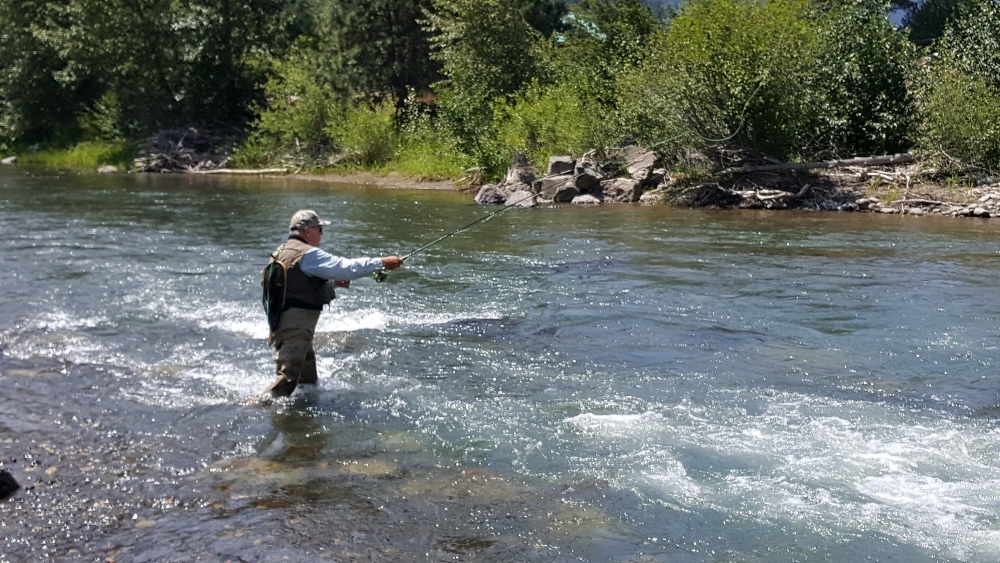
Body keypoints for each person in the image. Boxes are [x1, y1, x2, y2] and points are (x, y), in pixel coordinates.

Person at [260, 209, 403, 398]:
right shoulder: (307, 254)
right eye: (320, 229)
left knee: (307, 380)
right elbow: (346, 267)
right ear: (308, 231)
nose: (322, 234)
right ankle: (255, 410)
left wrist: (333, 283)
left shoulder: (282, 250)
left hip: (284, 319)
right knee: (287, 379)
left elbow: (293, 283)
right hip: (296, 324)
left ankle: (301, 415)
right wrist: (381, 262)